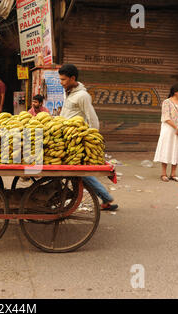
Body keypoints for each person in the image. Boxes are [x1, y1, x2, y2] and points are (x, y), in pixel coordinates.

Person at [58, 64, 118, 211]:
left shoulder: (83, 96)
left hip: (74, 140)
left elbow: (93, 119)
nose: (61, 82)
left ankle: (105, 197)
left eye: (64, 79)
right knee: (76, 172)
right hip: (64, 137)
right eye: (60, 79)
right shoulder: (70, 92)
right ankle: (105, 198)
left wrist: (92, 140)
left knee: (78, 172)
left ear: (73, 78)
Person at [153, 83, 178, 182]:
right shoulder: (167, 102)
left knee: (177, 150)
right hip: (169, 129)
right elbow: (166, 117)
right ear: (176, 92)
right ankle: (163, 174)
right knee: (167, 149)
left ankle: (173, 174)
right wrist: (177, 127)